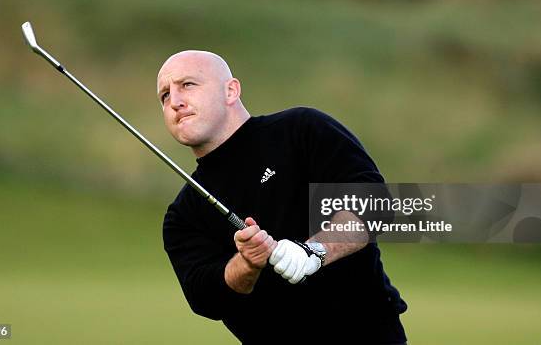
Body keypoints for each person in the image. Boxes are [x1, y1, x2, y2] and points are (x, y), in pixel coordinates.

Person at [158, 50, 408, 344]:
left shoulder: (301, 130)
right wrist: (247, 264)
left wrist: (313, 252)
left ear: (231, 90)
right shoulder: (184, 214)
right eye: (164, 95)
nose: (175, 101)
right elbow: (206, 297)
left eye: (187, 84)